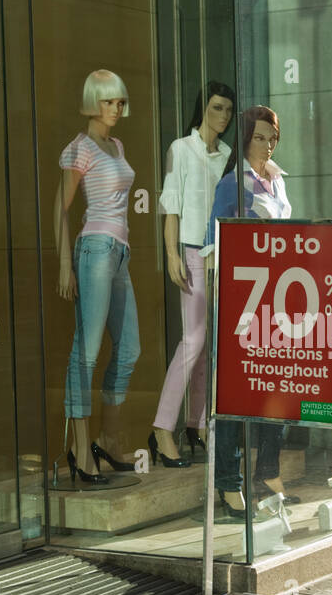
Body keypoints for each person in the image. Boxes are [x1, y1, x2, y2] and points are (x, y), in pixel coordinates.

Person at [203, 105, 296, 518]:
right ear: (244, 139)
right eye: (259, 136)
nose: (268, 143)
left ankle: (268, 473)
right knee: (236, 395)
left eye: (272, 136)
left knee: (275, 387)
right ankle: (227, 484)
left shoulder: (276, 181)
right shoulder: (232, 184)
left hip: (276, 299)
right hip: (243, 303)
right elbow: (213, 244)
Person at [54, 69, 140, 485]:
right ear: (93, 102)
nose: (116, 109)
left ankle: (107, 439)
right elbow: (61, 207)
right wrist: (64, 264)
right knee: (86, 351)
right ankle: (78, 447)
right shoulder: (80, 149)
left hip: (119, 252)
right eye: (109, 101)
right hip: (94, 250)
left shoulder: (116, 144)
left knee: (129, 351)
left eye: (120, 102)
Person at [148, 82, 234, 467]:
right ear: (203, 108)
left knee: (209, 346)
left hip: (222, 255)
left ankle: (196, 425)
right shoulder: (179, 149)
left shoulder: (229, 156)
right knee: (193, 340)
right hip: (192, 252)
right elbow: (171, 206)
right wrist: (171, 255)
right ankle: (161, 428)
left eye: (228, 110)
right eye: (217, 108)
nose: (223, 116)